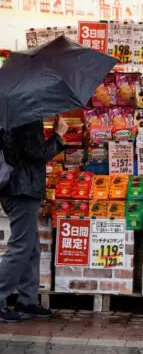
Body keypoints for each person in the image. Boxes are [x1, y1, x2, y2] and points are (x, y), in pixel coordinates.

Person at [0, 118, 68, 323]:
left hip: (16, 188)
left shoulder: (11, 115)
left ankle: (27, 299)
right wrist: (58, 135)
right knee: (21, 246)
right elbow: (37, 153)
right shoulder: (27, 119)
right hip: (21, 188)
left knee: (31, 246)